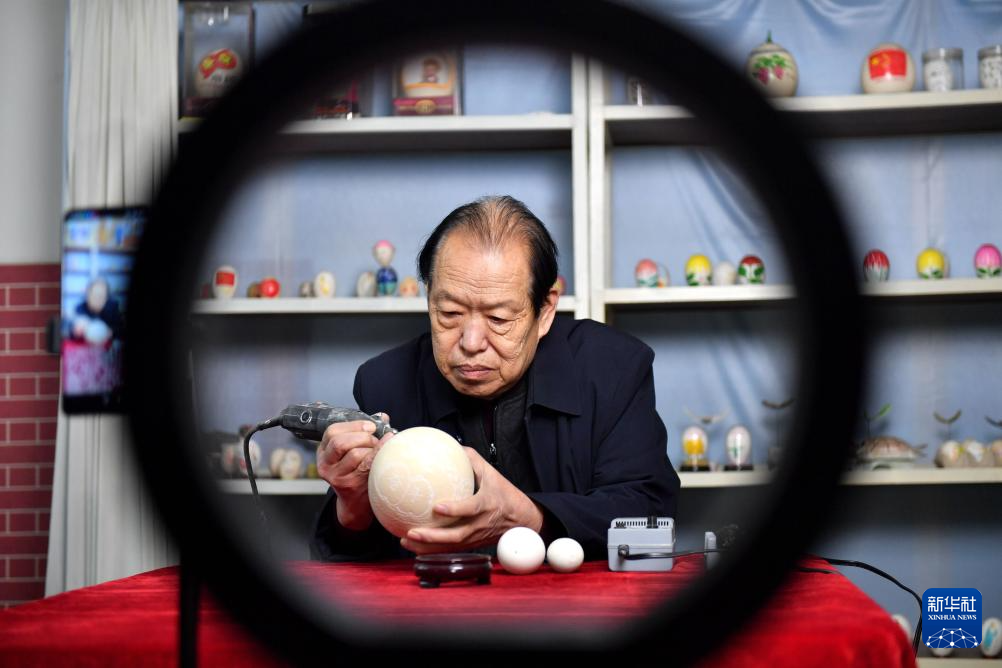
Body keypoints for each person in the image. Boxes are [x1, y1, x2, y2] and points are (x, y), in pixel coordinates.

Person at [311, 196, 679, 561]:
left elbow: (650, 512)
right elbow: (348, 568)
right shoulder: (385, 382)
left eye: (499, 319)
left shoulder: (611, 368)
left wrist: (529, 517)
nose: (471, 343)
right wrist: (353, 508)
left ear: (545, 309)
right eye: (449, 313)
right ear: (429, 297)